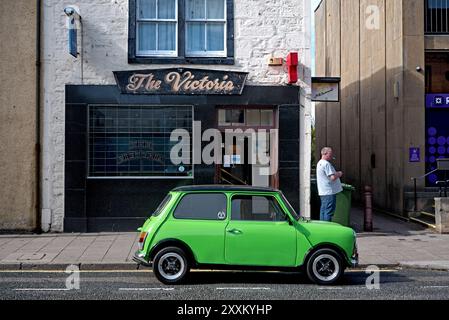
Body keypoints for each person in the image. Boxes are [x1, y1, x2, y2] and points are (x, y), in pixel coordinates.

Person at [316, 147, 343, 222]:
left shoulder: (320, 163)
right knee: (328, 212)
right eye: (330, 154)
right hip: (329, 192)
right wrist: (339, 173)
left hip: (323, 191)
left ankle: (322, 227)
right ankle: (327, 228)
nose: (331, 156)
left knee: (323, 211)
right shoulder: (326, 164)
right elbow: (332, 177)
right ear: (325, 153)